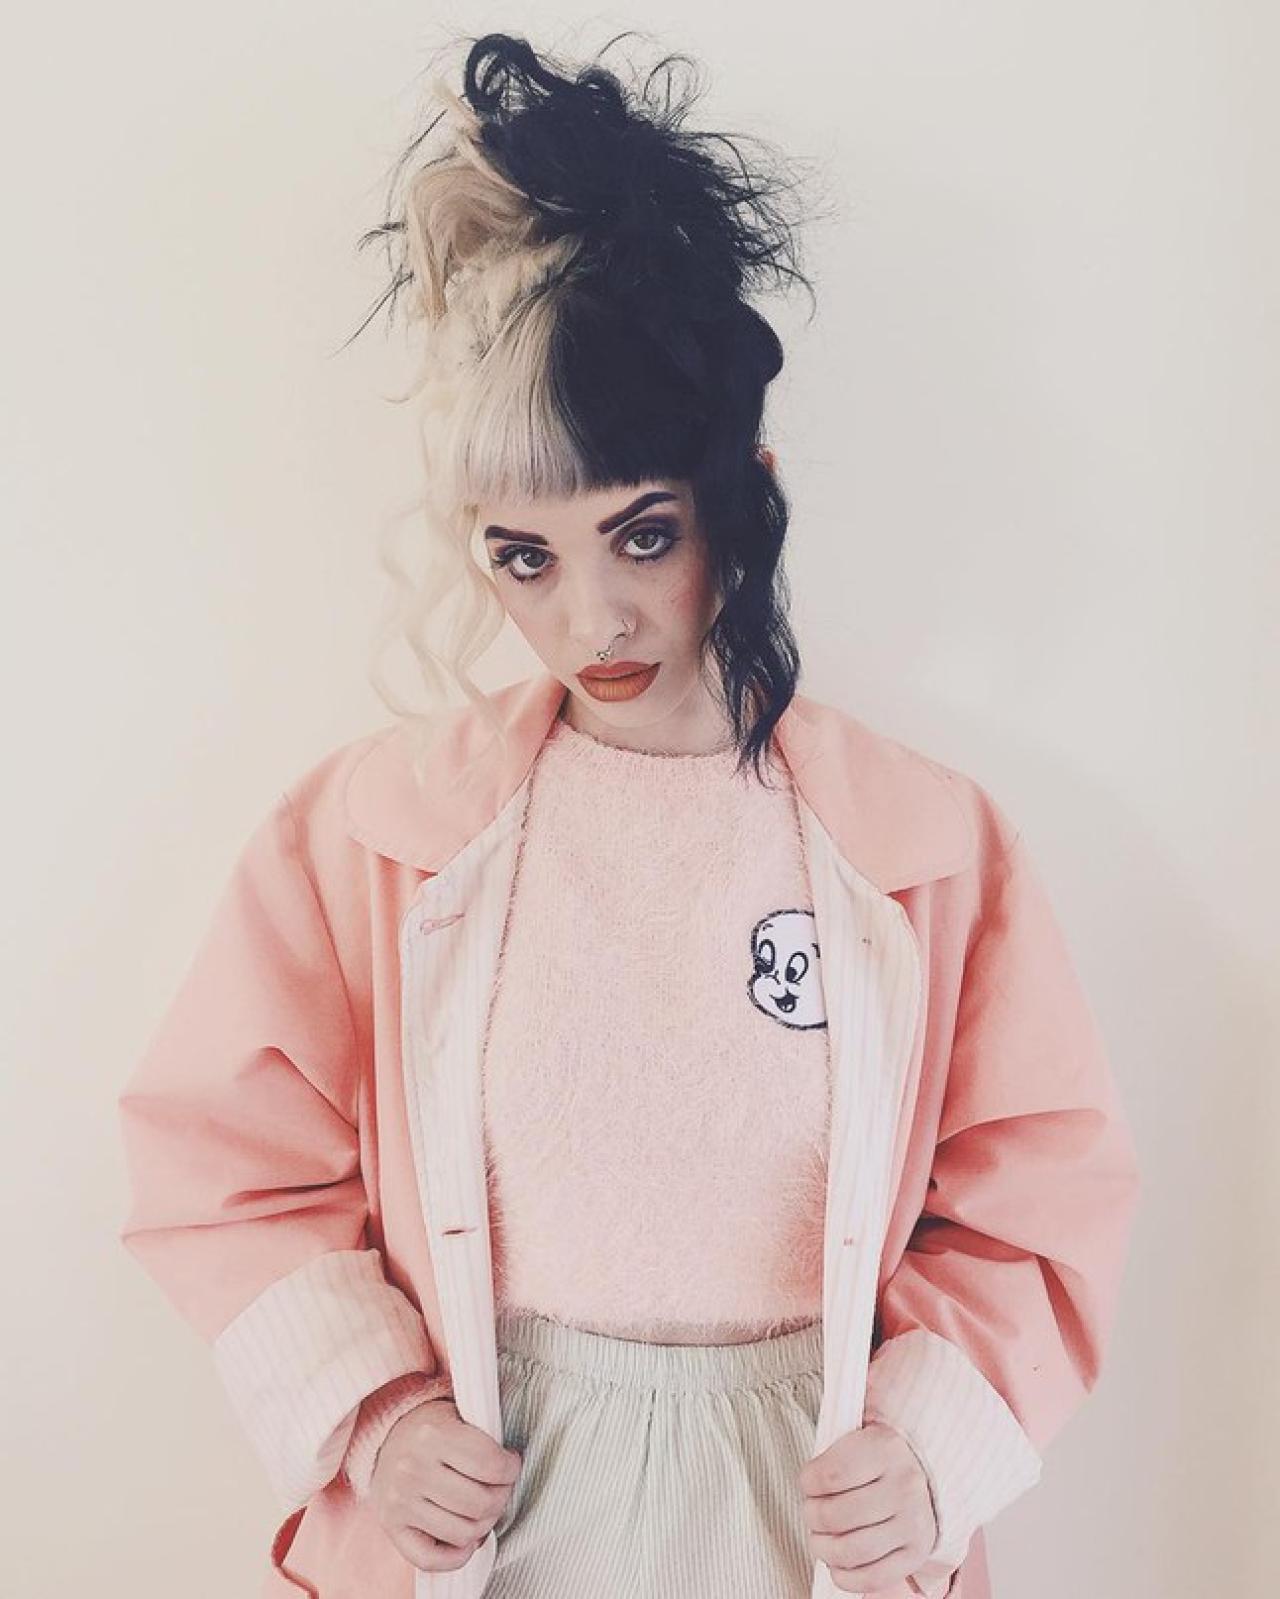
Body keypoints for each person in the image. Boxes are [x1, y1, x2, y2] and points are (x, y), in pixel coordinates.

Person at [115, 30, 1141, 1599]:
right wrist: (374, 1411)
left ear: (743, 491)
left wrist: (932, 1442)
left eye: (642, 534)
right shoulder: (376, 832)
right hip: (491, 1481)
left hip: (809, 1492)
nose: (591, 616)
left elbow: (1040, 1193)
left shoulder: (924, 847)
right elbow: (221, 1157)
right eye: (524, 557)